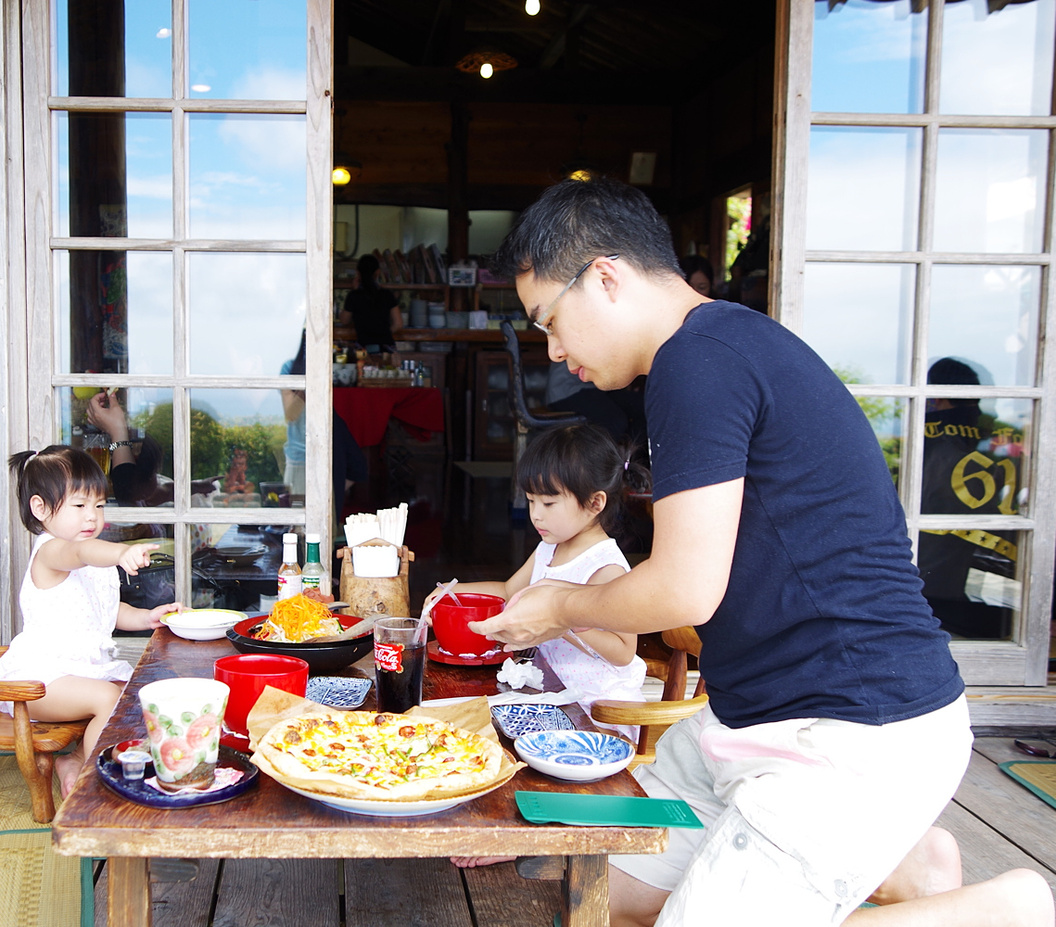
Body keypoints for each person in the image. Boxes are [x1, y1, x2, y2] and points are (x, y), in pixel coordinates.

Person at [467, 177, 1053, 927]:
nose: (554, 350)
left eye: (549, 320)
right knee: (608, 891)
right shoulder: (715, 347)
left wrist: (558, 607)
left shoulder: (697, 361)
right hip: (751, 720)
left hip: (853, 727)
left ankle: (1008, 910)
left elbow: (685, 589)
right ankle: (915, 868)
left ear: (604, 277)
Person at [438, 422, 648, 870]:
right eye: (531, 501)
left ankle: (525, 832)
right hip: (553, 691)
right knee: (476, 720)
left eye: (549, 503)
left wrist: (563, 618)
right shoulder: (549, 546)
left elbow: (623, 650)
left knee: (511, 737)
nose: (536, 514)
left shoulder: (606, 565)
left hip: (596, 711)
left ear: (595, 504)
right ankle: (500, 819)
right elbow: (510, 589)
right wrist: (450, 592)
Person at [0, 446, 181, 795]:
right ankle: (93, 786)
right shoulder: (53, 551)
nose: (92, 517)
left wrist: (147, 617)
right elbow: (81, 553)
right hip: (39, 679)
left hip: (77, 674)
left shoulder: (90, 558)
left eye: (98, 505)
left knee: (135, 697)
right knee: (106, 699)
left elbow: (107, 612)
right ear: (41, 509)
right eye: (79, 506)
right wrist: (121, 552)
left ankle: (77, 759)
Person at [917, 357, 1015, 640]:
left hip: (930, 584)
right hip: (978, 578)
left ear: (938, 395)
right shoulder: (993, 437)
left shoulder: (930, 443)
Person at [338, 253, 402, 351]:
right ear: (378, 272)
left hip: (364, 349)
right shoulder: (387, 294)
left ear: (358, 273)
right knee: (386, 367)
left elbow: (344, 320)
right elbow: (398, 324)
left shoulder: (354, 296)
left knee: (363, 366)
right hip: (385, 347)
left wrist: (355, 290)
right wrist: (382, 333)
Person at [279, 335, 307, 496]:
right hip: (300, 458)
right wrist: (309, 382)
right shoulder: (290, 368)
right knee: (296, 515)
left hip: (332, 454)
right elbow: (291, 414)